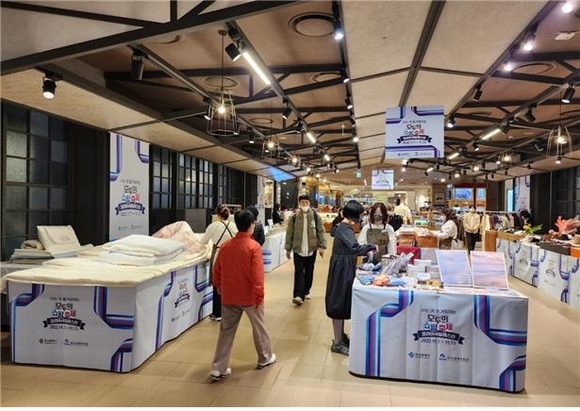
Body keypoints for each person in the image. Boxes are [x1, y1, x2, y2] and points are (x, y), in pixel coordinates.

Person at [210, 209, 276, 381]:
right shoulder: (254, 247)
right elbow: (257, 275)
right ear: (251, 225)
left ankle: (218, 367)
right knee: (259, 327)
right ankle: (265, 357)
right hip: (249, 297)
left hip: (229, 295)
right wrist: (259, 294)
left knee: (226, 331)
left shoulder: (226, 245)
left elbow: (217, 269)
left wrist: (218, 286)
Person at [325, 200, 377, 355]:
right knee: (338, 302)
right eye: (360, 215)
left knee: (340, 301)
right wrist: (371, 247)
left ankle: (340, 337)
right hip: (341, 269)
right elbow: (354, 248)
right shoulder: (345, 228)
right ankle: (337, 342)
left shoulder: (341, 226)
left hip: (342, 267)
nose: (361, 218)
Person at [285, 194, 327, 306]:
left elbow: (321, 231)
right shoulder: (294, 217)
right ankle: (298, 295)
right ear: (299, 203)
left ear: (309, 203)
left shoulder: (315, 216)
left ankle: (306, 290)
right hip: (298, 249)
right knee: (299, 272)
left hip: (311, 249)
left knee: (309, 271)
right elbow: (289, 233)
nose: (305, 204)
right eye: (303, 202)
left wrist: (322, 246)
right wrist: (288, 248)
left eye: (306, 202)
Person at [201, 204, 238, 321]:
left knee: (217, 282)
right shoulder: (233, 226)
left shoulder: (213, 226)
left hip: (218, 254)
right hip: (232, 256)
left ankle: (217, 313)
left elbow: (203, 241)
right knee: (230, 282)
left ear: (217, 215)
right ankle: (231, 312)